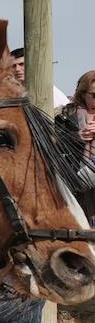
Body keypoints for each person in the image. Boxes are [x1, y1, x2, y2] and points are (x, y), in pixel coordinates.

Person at [55, 70, 95, 221]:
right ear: (83, 93)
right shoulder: (66, 115)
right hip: (74, 190)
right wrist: (78, 137)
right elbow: (53, 142)